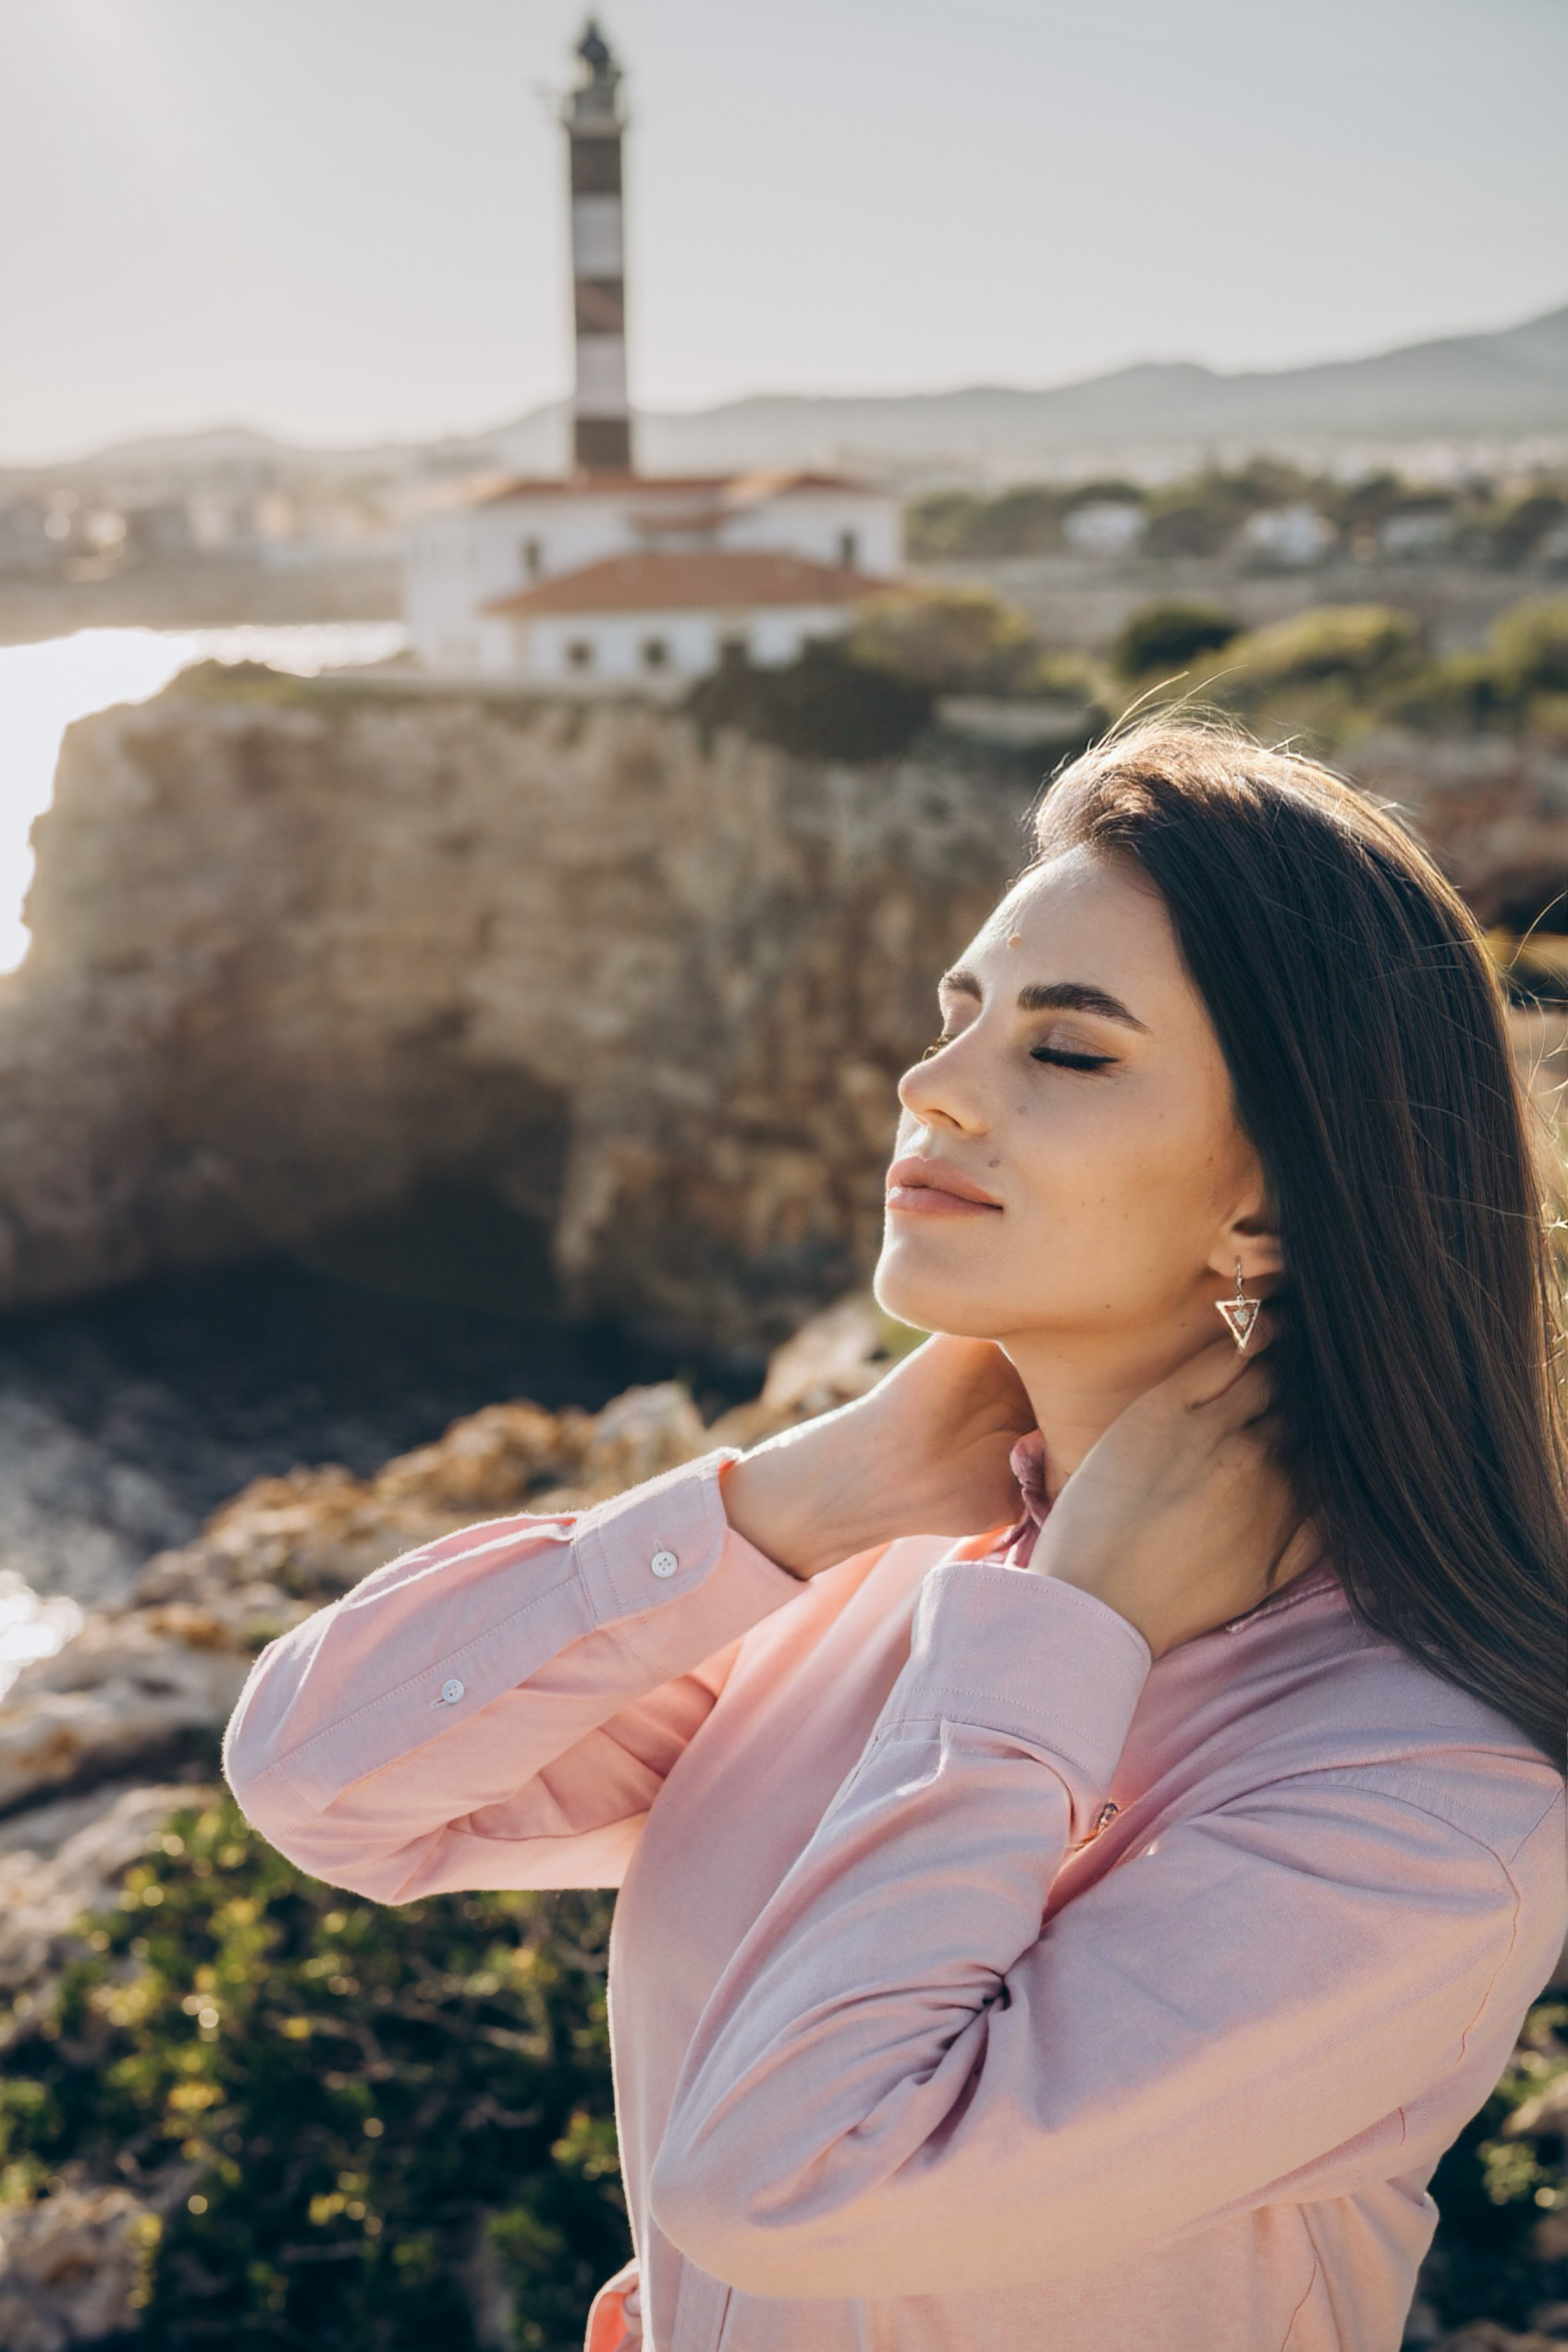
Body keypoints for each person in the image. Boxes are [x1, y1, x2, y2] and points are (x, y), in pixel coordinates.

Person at [225, 720, 1567, 2352]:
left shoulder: (1423, 1806)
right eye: (957, 1017)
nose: (931, 1088)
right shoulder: (874, 1573)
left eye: (1066, 1051)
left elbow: (788, 2181)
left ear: (1272, 1204)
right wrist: (810, 1496)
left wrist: (1064, 1647)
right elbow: (323, 1782)